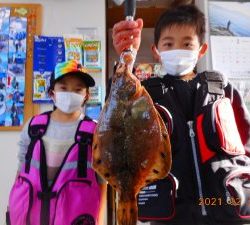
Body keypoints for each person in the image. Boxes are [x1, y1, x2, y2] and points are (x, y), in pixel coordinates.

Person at [112, 4, 250, 225]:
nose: (178, 49)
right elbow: (118, 117)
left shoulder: (222, 88)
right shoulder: (146, 95)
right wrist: (126, 59)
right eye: (169, 44)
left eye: (187, 43)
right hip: (173, 214)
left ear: (201, 49)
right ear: (156, 51)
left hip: (226, 209)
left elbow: (246, 142)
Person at [6, 60, 106, 225]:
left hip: (74, 216)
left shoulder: (96, 132)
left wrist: (99, 219)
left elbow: (102, 180)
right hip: (31, 215)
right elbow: (21, 170)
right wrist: (12, 208)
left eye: (78, 89)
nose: (70, 93)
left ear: (86, 95)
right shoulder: (33, 126)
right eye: (64, 88)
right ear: (52, 93)